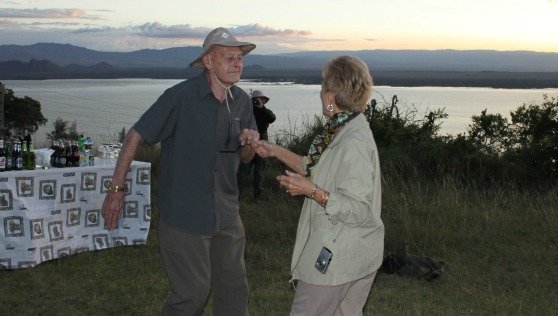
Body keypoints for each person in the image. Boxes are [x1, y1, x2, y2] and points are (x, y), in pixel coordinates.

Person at [100, 27, 260, 315]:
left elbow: (246, 157)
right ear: (208, 62)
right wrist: (115, 190)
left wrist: (250, 143)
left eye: (240, 58)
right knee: (192, 294)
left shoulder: (243, 102)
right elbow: (134, 136)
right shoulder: (179, 97)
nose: (238, 63)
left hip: (226, 211)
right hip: (185, 215)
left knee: (235, 290)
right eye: (229, 57)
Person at [255, 55, 384, 315]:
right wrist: (274, 150)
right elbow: (314, 166)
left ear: (331, 96)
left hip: (339, 256)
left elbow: (360, 209)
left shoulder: (353, 143)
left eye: (323, 86)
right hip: (356, 253)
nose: (320, 92)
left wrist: (311, 191)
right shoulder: (340, 129)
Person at [238, 90, 276, 201]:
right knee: (243, 172)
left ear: (263, 101)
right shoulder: (248, 111)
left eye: (260, 99)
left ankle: (257, 198)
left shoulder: (266, 112)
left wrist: (261, 108)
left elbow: (272, 118)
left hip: (262, 145)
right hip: (249, 145)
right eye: (256, 99)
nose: (258, 101)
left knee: (259, 172)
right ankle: (236, 196)